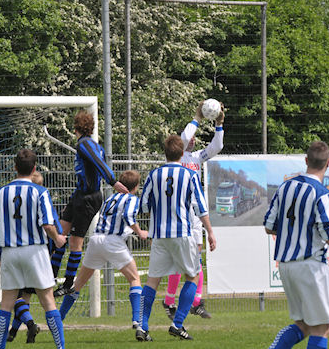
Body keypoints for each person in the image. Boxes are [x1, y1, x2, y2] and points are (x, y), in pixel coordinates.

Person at [264, 141, 329, 349]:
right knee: (321, 328)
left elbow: (269, 227)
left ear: (306, 160)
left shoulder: (285, 186)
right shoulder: (322, 193)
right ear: (328, 163)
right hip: (310, 265)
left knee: (303, 326)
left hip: (285, 265)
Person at [0, 149, 68, 349]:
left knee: (6, 305)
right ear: (34, 168)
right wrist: (58, 238)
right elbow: (47, 224)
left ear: (15, 167)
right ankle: (60, 347)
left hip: (9, 252)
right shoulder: (40, 191)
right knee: (48, 301)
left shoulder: (0, 193)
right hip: (35, 251)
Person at [137, 135, 217, 342]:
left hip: (159, 236)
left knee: (152, 281)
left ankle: (143, 327)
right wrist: (210, 232)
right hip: (182, 233)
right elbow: (200, 207)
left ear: (165, 153)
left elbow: (144, 206)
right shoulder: (190, 175)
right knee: (192, 276)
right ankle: (177, 324)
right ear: (182, 154)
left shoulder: (153, 175)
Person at [59, 170, 148, 334]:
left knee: (78, 283)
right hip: (113, 241)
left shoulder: (110, 198)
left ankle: (58, 318)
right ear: (136, 186)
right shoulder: (132, 199)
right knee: (134, 279)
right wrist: (140, 231)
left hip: (96, 239)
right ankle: (137, 321)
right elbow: (129, 216)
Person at [51, 110, 128, 297]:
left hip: (88, 199)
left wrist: (113, 181)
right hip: (79, 195)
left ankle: (68, 284)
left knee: (75, 242)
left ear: (75, 127)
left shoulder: (85, 144)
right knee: (59, 235)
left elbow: (99, 163)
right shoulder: (89, 144)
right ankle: (49, 277)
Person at [163, 100, 225, 320]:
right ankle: (169, 301)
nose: (192, 140)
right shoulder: (177, 158)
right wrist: (197, 117)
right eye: (190, 138)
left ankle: (196, 302)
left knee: (196, 258)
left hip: (195, 214)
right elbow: (185, 138)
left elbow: (216, 147)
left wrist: (219, 125)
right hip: (178, 211)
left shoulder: (198, 157)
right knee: (177, 260)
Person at [6, 171, 57, 344]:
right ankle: (13, 331)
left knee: (16, 298)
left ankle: (30, 324)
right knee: (27, 298)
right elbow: (53, 227)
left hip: (23, 253)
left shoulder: (20, 202)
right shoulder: (44, 201)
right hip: (42, 257)